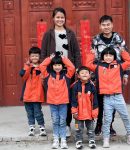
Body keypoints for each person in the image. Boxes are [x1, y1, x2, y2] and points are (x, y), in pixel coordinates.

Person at [41, 7, 81, 137]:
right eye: (57, 17)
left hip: (67, 71)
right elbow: (43, 53)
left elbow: (76, 52)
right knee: (55, 99)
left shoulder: (70, 33)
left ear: (65, 18)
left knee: (67, 98)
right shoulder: (48, 34)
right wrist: (44, 70)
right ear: (53, 18)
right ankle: (57, 126)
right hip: (53, 71)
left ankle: (67, 125)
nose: (60, 19)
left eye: (62, 17)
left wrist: (78, 68)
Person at [86, 47, 130, 148]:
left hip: (118, 96)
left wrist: (123, 52)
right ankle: (106, 139)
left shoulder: (119, 66)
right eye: (106, 55)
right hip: (107, 98)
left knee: (125, 116)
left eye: (110, 55)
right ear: (102, 56)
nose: (108, 57)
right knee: (107, 119)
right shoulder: (98, 66)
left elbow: (129, 61)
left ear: (114, 56)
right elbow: (88, 65)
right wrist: (92, 54)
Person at [91, 15, 130, 136]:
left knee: (112, 102)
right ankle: (99, 125)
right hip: (101, 75)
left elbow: (125, 56)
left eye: (108, 24)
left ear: (112, 25)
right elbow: (92, 58)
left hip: (115, 75)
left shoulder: (119, 39)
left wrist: (126, 74)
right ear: (100, 26)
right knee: (100, 102)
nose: (106, 27)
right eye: (103, 25)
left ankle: (110, 125)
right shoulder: (96, 40)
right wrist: (93, 77)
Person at [40, 51, 75, 149]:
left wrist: (64, 59)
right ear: (52, 66)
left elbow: (72, 67)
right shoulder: (48, 75)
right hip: (52, 103)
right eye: (55, 65)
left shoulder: (66, 76)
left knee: (62, 121)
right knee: (55, 121)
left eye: (59, 65)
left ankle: (63, 140)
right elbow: (42, 66)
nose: (57, 67)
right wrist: (50, 59)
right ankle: (56, 139)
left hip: (63, 102)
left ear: (62, 65)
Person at [19, 47, 46, 136]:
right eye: (32, 56)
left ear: (39, 57)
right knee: (29, 112)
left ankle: (42, 127)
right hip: (27, 95)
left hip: (37, 95)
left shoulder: (42, 67)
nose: (34, 58)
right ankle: (31, 127)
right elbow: (23, 76)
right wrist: (27, 66)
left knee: (38, 112)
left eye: (36, 56)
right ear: (30, 57)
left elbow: (45, 79)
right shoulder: (27, 67)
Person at [71, 66, 98, 149]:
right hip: (78, 113)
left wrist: (94, 111)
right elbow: (73, 100)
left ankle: (92, 140)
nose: (84, 74)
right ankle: (78, 141)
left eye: (86, 73)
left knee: (91, 128)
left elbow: (95, 100)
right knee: (78, 128)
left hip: (89, 112)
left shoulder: (92, 86)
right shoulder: (75, 86)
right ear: (78, 76)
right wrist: (74, 111)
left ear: (89, 75)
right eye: (82, 73)